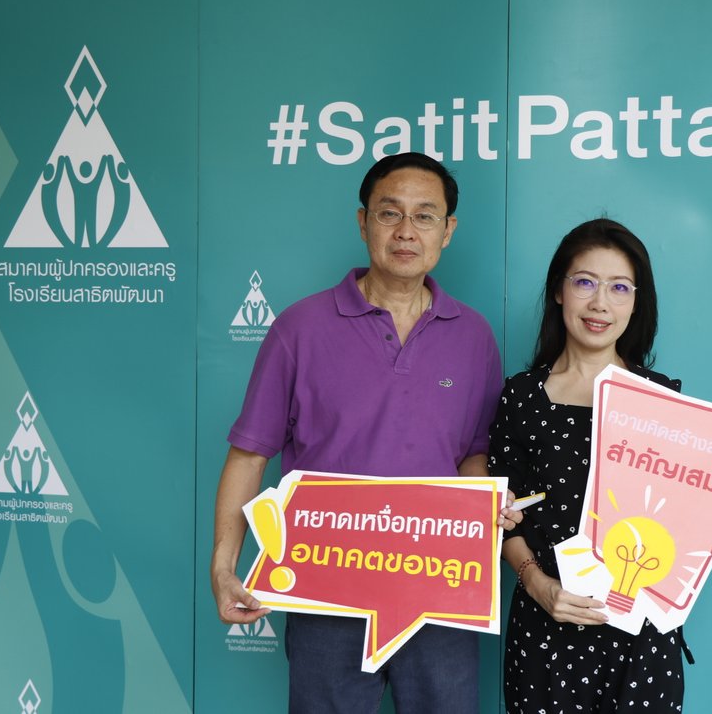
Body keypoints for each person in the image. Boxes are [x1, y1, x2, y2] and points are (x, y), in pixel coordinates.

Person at [210, 152, 519, 714]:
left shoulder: (473, 336)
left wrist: (487, 503)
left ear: (447, 230)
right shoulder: (299, 328)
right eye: (389, 213)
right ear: (363, 222)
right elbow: (249, 455)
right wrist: (224, 566)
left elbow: (474, 455)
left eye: (425, 216)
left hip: (440, 586)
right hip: (327, 587)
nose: (406, 231)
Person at [491, 219, 712, 713]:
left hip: (640, 635)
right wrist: (537, 584)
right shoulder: (521, 397)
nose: (600, 303)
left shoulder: (659, 397)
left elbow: (688, 500)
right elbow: (502, 516)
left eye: (620, 287)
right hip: (546, 626)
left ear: (637, 302)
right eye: (585, 282)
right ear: (559, 290)